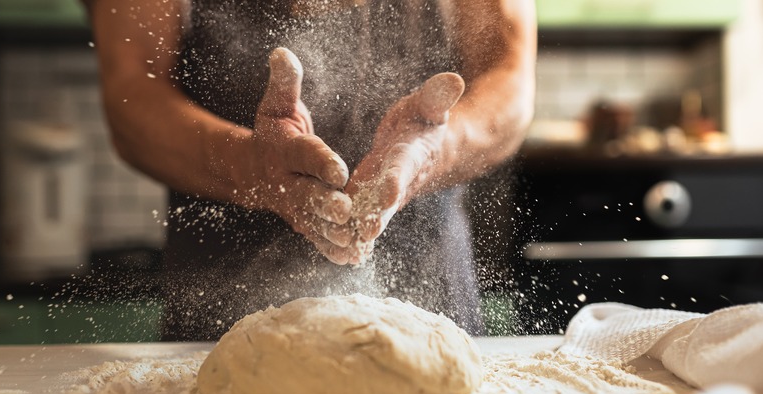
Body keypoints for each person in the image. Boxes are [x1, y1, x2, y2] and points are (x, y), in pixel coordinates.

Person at [82, 0, 536, 340]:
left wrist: (434, 149)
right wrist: (250, 167)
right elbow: (131, 99)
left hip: (432, 307)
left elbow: (509, 82)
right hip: (219, 320)